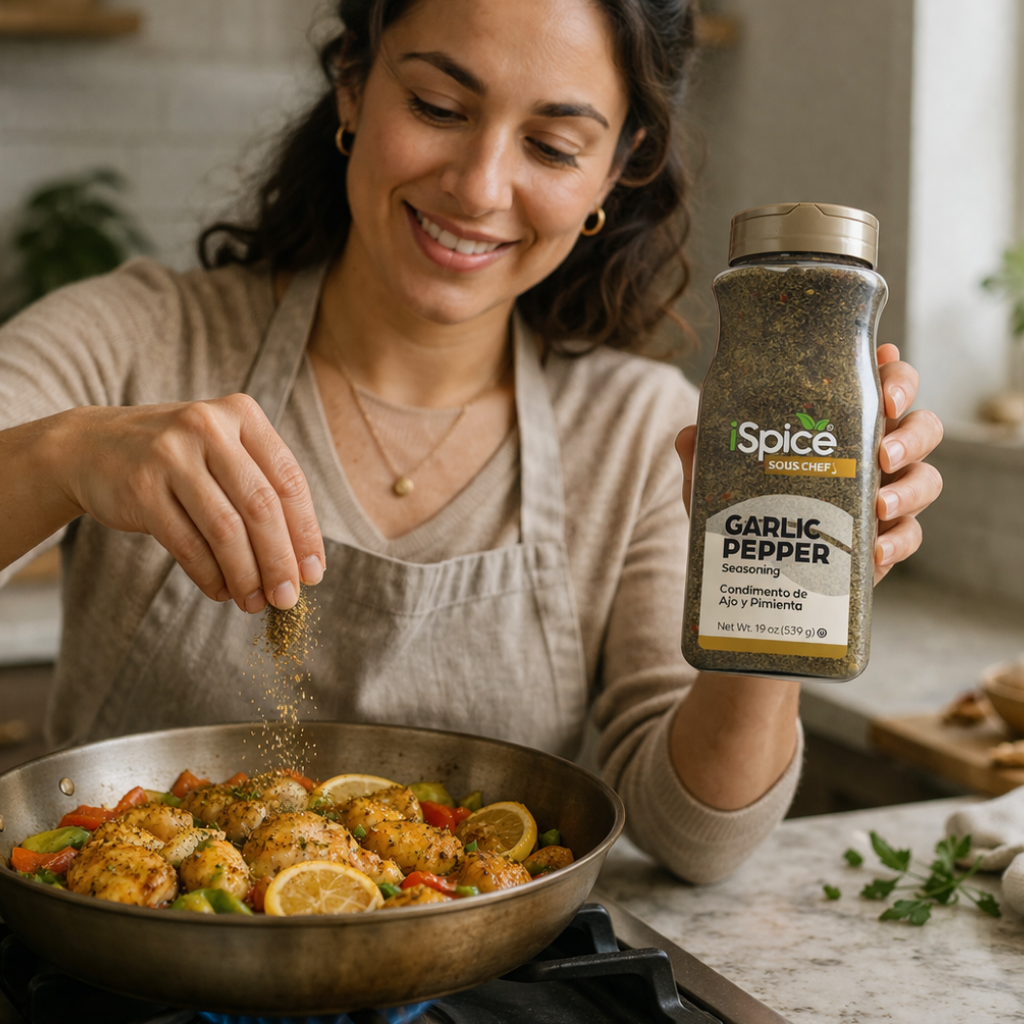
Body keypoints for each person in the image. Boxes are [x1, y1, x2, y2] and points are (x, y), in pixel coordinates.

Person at [0, 0, 942, 883]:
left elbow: (698, 837)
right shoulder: (132, 339)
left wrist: (786, 606)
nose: (481, 186)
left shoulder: (643, 430)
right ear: (352, 85)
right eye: (439, 106)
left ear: (619, 166)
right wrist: (66, 455)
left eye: (552, 144)